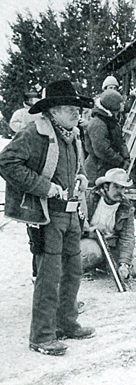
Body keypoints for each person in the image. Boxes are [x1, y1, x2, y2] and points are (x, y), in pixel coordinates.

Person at [0, 79, 95, 356]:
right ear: (52, 111)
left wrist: (81, 177)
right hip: (46, 215)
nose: (77, 113)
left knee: (73, 270)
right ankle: (41, 336)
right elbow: (6, 163)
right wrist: (44, 187)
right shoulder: (34, 133)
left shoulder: (72, 134)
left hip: (71, 213)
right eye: (69, 108)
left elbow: (77, 166)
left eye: (77, 108)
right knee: (49, 275)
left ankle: (66, 323)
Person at [80, 168, 136, 280]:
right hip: (89, 241)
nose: (120, 191)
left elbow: (127, 237)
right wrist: (89, 231)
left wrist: (124, 264)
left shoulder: (126, 207)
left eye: (122, 188)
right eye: (116, 187)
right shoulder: (89, 198)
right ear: (106, 187)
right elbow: (75, 226)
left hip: (111, 245)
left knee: (132, 269)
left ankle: (103, 265)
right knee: (91, 253)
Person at [84, 89, 131, 185]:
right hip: (97, 169)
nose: (122, 105)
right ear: (112, 106)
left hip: (108, 167)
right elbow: (102, 149)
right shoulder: (98, 124)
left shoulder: (112, 121)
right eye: (120, 103)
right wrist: (120, 161)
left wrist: (126, 158)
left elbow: (120, 141)